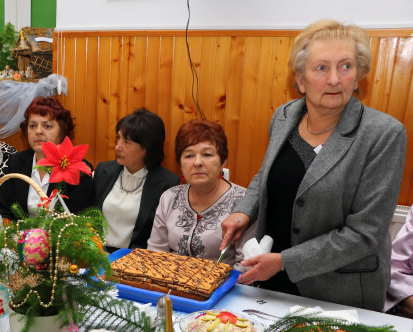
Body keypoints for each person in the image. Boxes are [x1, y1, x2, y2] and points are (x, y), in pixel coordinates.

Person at [220, 20, 406, 311]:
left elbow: (364, 234)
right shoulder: (283, 116)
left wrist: (284, 262)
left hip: (339, 293)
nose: (335, 79)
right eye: (321, 68)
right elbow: (266, 173)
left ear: (358, 77)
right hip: (272, 280)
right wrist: (244, 211)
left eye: (346, 67)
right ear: (300, 79)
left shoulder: (383, 134)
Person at [146, 119, 252, 269]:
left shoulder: (244, 202)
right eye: (189, 156)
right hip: (171, 286)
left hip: (223, 289)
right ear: (180, 163)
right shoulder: (169, 197)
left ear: (223, 161)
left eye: (207, 154)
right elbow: (155, 254)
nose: (197, 162)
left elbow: (245, 265)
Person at [94, 109, 180, 252]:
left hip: (136, 260)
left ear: (147, 148)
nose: (118, 147)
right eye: (118, 138)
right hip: (97, 255)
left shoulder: (167, 182)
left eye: (126, 142)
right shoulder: (104, 171)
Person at [0, 96, 94, 220]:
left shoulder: (79, 169)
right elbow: (4, 210)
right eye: (32, 126)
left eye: (47, 126)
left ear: (62, 132)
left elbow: (80, 220)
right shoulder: (16, 162)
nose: (38, 131)